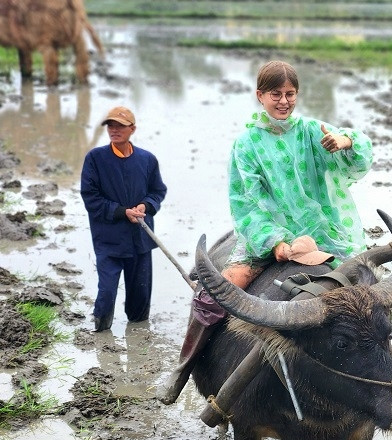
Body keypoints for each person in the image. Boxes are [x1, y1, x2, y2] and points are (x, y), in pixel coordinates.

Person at [160, 60, 374, 405]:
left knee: (368, 295)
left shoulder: (310, 131)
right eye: (276, 94)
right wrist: (274, 241)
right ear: (260, 96)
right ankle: (183, 369)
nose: (284, 101)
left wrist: (346, 140)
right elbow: (247, 201)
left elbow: (360, 154)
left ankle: (387, 374)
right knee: (215, 295)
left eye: (290, 94)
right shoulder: (247, 145)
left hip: (322, 233)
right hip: (267, 239)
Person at [80, 106, 167, 332]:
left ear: (132, 129)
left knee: (140, 299)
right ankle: (101, 333)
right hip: (109, 240)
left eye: (120, 125)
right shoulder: (95, 159)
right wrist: (122, 212)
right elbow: (90, 197)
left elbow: (157, 191)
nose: (114, 130)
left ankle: (138, 340)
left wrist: (145, 206)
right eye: (111, 125)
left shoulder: (147, 160)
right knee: (107, 292)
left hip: (140, 239)